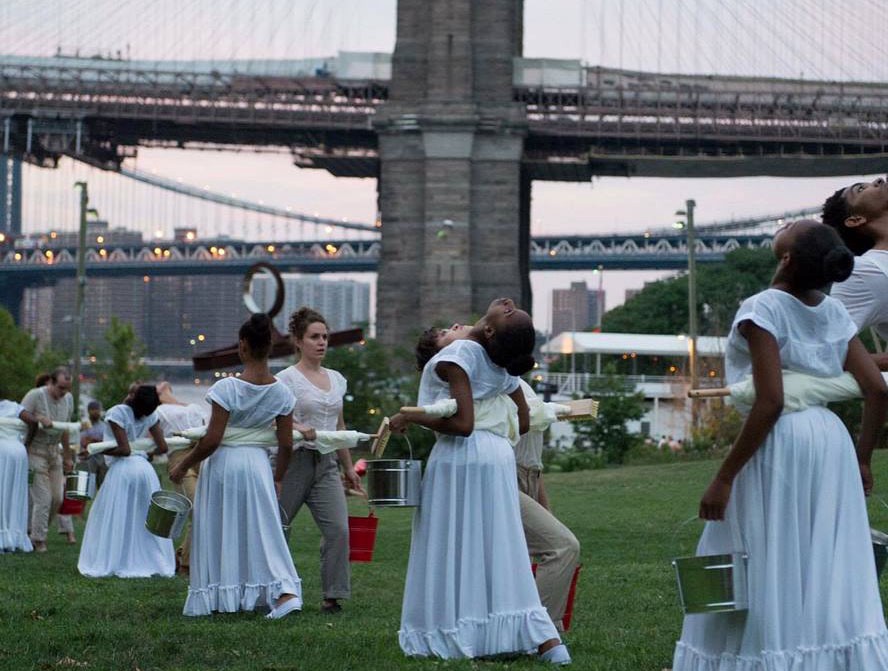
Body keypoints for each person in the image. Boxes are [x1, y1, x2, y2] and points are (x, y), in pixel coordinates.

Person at [672, 220, 888, 669]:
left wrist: (723, 477)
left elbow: (771, 401)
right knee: (819, 555)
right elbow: (877, 389)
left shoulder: (762, 308)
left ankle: (766, 653)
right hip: (831, 442)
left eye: (791, 228)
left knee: (760, 550)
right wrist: (863, 459)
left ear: (786, 257)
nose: (787, 225)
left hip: (783, 439)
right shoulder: (833, 312)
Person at [391, 298, 569, 664]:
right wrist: (498, 434)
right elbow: (523, 417)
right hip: (499, 457)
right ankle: (544, 640)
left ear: (489, 328)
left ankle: (461, 631)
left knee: (455, 544)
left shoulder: (458, 356)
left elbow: (463, 425)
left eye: (507, 312)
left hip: (461, 458)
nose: (506, 303)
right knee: (500, 548)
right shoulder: (498, 362)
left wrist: (412, 417)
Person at [415, 322, 581, 633]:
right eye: (445, 334)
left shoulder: (495, 373)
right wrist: (412, 416)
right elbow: (464, 424)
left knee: (529, 554)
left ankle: (537, 628)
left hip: (514, 472)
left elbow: (525, 429)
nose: (454, 325)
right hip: (491, 477)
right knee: (556, 548)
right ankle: (538, 631)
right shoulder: (464, 375)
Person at [169, 314, 302, 619]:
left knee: (220, 526)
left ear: (242, 346)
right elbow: (285, 444)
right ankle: (275, 591)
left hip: (225, 464)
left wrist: (184, 465)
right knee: (261, 529)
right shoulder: (283, 393)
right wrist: (278, 477)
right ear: (269, 347)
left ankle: (221, 593)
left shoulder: (227, 389)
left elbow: (212, 440)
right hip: (257, 466)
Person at [275, 307, 363, 615]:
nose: (322, 342)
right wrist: (299, 428)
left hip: (326, 464)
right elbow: (276, 421)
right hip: (293, 461)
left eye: (325, 337)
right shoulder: (285, 380)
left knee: (339, 529)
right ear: (298, 341)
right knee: (278, 526)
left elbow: (339, 427)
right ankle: (278, 590)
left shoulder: (337, 380)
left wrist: (349, 467)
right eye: (314, 337)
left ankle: (332, 596)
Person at [77, 385, 175, 578]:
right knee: (143, 517)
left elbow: (124, 450)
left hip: (123, 470)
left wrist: (95, 449)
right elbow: (163, 447)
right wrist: (148, 453)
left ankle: (116, 559)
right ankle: (152, 559)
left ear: (133, 397)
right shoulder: (150, 415)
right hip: (145, 471)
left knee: (115, 515)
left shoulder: (117, 412)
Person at [822, 176, 888, 366]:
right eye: (860, 189)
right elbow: (826, 351)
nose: (877, 180)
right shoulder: (864, 272)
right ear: (855, 219)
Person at [156, 381, 209, 574]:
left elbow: (205, 430)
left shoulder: (191, 407)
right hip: (179, 458)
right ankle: (186, 563)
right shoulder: (158, 412)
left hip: (199, 454)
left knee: (204, 511)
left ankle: (183, 555)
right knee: (196, 510)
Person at [23, 367, 75, 551]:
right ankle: (38, 540)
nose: (63, 392)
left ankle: (34, 530)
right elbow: (20, 416)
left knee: (57, 498)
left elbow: (65, 429)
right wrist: (37, 417)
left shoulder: (68, 399)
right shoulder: (35, 395)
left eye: (67, 388)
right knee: (42, 497)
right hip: (35, 450)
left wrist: (68, 456)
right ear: (51, 382)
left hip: (55, 453)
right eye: (60, 388)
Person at [0, 399, 50, 552]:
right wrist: (27, 443)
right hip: (18, 451)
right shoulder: (12, 406)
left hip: (3, 451)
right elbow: (33, 421)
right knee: (14, 493)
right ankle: (14, 535)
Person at [78, 400, 109, 489]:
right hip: (89, 457)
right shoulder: (84, 425)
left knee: (103, 486)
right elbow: (84, 442)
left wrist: (93, 440)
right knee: (88, 486)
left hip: (103, 457)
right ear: (88, 411)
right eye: (93, 409)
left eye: (97, 409)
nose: (95, 412)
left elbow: (106, 442)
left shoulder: (105, 426)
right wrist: (97, 441)